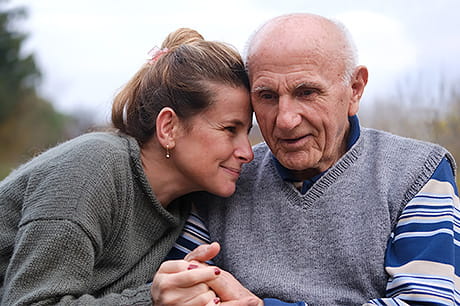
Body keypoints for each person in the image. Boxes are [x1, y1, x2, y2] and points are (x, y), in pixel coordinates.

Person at [154, 13, 459, 306]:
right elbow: (182, 283)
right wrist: (175, 290)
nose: (285, 120)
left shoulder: (417, 172)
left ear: (354, 89)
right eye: (267, 96)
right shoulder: (227, 175)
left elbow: (427, 301)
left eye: (307, 92)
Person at [0, 27, 256, 305]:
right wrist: (153, 300)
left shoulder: (180, 207)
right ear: (168, 127)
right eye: (230, 129)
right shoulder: (93, 169)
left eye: (247, 132)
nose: (247, 153)